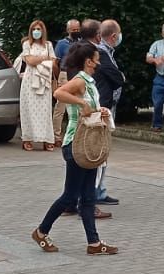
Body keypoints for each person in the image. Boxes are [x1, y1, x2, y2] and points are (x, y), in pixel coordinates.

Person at [31, 43, 118, 256]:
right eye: (97, 58)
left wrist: (100, 111)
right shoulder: (79, 80)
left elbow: (88, 108)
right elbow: (59, 92)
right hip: (75, 143)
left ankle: (94, 243)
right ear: (89, 61)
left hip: (88, 144)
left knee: (88, 196)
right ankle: (41, 231)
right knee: (70, 196)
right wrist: (81, 103)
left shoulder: (88, 82)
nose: (99, 62)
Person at [93, 20, 125, 206]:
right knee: (99, 151)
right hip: (104, 106)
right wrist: (120, 76)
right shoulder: (102, 53)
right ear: (113, 36)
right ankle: (95, 193)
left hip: (108, 106)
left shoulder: (107, 52)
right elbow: (116, 77)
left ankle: (99, 190)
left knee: (103, 151)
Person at [19, 20, 56, 151]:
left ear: (43, 31)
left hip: (44, 80)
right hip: (30, 80)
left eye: (39, 29)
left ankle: (47, 139)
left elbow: (53, 61)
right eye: (34, 29)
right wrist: (44, 58)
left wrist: (39, 59)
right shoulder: (27, 44)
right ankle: (27, 138)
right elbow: (30, 61)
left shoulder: (48, 45)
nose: (36, 31)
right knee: (28, 109)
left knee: (45, 110)